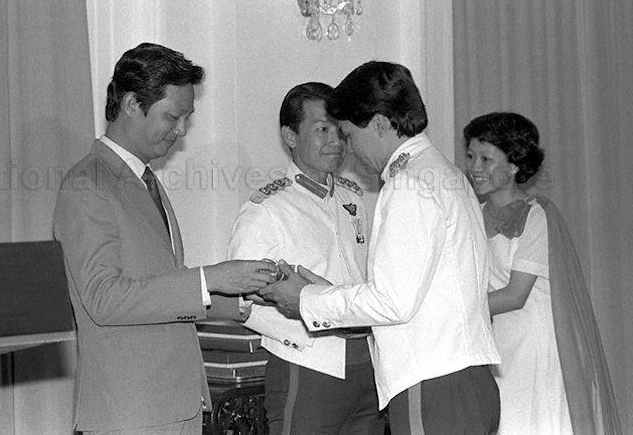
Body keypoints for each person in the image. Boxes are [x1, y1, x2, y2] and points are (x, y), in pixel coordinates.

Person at [259, 61, 502, 435]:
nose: (349, 150)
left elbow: (392, 301)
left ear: (378, 123)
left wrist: (306, 299)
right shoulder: (443, 172)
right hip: (465, 380)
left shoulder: (407, 184)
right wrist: (329, 293)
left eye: (349, 135)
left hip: (432, 385)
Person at [53, 43, 279, 435]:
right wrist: (209, 279)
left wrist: (244, 292)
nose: (180, 132)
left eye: (186, 119)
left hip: (174, 404)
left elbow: (159, 294)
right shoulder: (86, 184)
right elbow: (104, 299)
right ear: (131, 105)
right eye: (172, 117)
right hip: (131, 412)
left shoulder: (144, 180)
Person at [226, 82, 383, 435]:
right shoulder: (267, 210)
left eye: (340, 131)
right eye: (322, 130)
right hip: (309, 360)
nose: (336, 142)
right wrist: (301, 333)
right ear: (290, 136)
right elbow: (241, 300)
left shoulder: (353, 198)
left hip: (366, 360)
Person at [463, 111, 621, 435]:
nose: (475, 168)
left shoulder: (536, 215)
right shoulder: (473, 214)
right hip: (498, 342)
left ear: (515, 165)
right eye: (470, 156)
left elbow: (515, 294)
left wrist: (451, 309)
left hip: (535, 344)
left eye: (486, 158)